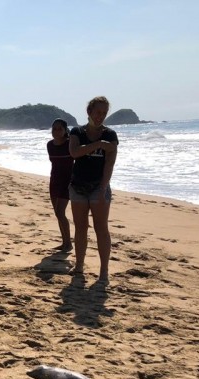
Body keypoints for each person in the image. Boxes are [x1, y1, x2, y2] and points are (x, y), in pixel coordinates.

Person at [68, 96, 118, 282]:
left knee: (101, 229)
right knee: (81, 228)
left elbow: (110, 163)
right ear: (89, 111)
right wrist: (97, 145)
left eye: (104, 113)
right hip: (78, 186)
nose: (101, 116)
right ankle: (79, 266)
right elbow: (74, 152)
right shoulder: (77, 132)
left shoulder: (110, 135)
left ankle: (104, 271)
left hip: (99, 186)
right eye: (98, 112)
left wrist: (103, 188)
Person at [46, 118, 74, 252]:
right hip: (54, 180)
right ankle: (64, 242)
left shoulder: (70, 144)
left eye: (59, 129)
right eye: (54, 128)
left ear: (65, 130)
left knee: (60, 212)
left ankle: (68, 244)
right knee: (57, 214)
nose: (56, 131)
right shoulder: (49, 145)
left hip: (67, 182)